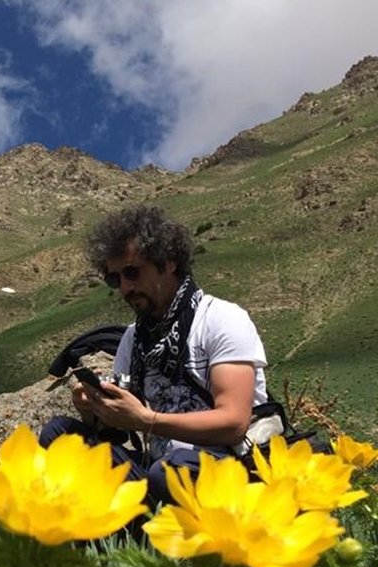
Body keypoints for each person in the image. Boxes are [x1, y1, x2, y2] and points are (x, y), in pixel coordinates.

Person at [41, 205, 268, 505]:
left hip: (227, 467)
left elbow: (234, 423)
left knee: (168, 474)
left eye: (132, 273)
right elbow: (120, 428)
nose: (124, 287)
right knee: (60, 435)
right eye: (114, 279)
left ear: (169, 262)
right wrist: (94, 410)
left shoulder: (221, 318)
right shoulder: (134, 338)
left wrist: (147, 420)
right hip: (157, 466)